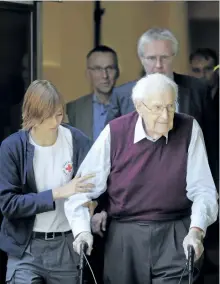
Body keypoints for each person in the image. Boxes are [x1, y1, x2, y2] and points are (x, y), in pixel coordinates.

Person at [64, 73, 218, 284]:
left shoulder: (189, 128)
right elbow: (81, 189)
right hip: (124, 237)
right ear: (139, 106)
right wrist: (82, 231)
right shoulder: (115, 132)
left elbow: (203, 189)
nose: (165, 115)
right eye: (157, 108)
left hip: (175, 235)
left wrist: (196, 231)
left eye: (171, 106)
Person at [0, 80, 96, 284]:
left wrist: (93, 203)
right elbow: (8, 204)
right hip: (26, 247)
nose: (54, 123)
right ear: (31, 115)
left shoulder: (77, 141)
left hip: (66, 245)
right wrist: (58, 193)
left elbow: (92, 188)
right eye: (46, 117)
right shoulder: (12, 147)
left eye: (59, 114)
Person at [67, 45, 119, 141]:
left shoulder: (132, 108)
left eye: (110, 68)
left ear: (118, 72)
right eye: (98, 69)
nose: (105, 75)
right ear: (88, 74)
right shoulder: (73, 110)